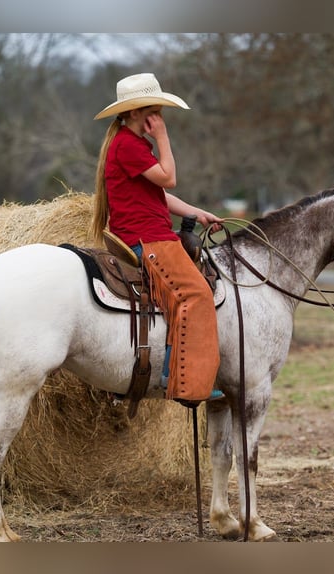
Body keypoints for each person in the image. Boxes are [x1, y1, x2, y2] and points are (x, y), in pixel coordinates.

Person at [91, 72, 223, 404]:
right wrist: (164, 138)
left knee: (192, 290)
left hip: (153, 231)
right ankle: (179, 379)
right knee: (197, 295)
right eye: (155, 109)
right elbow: (169, 178)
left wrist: (197, 212)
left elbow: (157, 194)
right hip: (146, 238)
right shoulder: (128, 145)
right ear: (135, 112)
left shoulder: (131, 144)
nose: (160, 116)